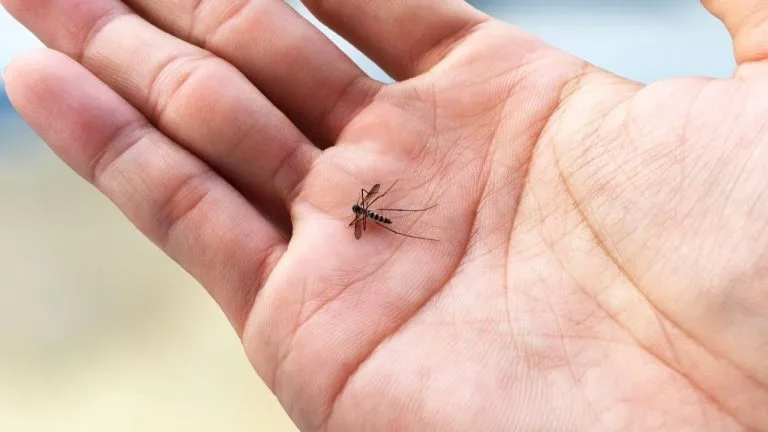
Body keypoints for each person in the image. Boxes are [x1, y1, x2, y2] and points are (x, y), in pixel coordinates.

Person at [3, 0, 767, 430]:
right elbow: (364, 215)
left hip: (386, 216)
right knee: (397, 214)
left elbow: (369, 213)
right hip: (381, 218)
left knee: (403, 212)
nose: (362, 212)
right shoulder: (363, 211)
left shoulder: (367, 210)